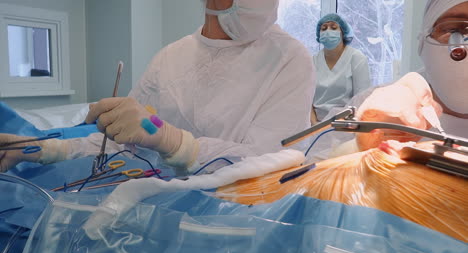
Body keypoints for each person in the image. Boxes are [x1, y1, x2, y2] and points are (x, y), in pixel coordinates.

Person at [0, 0, 315, 173]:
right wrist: (42, 149)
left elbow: (275, 162)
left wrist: (175, 142)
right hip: (158, 207)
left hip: (235, 219)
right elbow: (134, 138)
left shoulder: (287, 58)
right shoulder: (171, 58)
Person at [338, 0, 468, 154]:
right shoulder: (379, 106)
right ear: (424, 42)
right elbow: (314, 166)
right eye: (453, 30)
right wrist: (364, 148)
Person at [312, 13, 371, 123]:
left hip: (345, 124)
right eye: (323, 29)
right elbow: (306, 98)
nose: (328, 31)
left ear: (343, 33)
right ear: (319, 35)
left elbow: (361, 99)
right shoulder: (313, 61)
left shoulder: (356, 59)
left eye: (333, 28)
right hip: (317, 124)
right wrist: (314, 124)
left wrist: (345, 125)